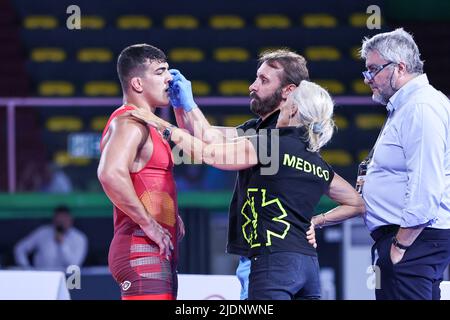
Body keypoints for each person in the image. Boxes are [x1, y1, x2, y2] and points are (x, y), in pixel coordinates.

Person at [131, 79, 365, 299]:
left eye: (287, 102)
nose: (282, 106)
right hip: (309, 266)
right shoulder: (318, 162)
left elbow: (209, 154)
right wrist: (317, 221)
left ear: (293, 110)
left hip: (274, 264)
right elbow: (357, 203)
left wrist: (166, 128)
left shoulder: (269, 143)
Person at [359, 28, 450, 300]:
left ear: (399, 67)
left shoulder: (420, 107)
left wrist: (399, 247)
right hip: (411, 242)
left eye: (373, 70)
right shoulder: (409, 106)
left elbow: (426, 183)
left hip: (413, 242)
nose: (368, 80)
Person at [97, 44, 184, 300]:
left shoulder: (151, 126)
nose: (169, 78)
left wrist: (168, 213)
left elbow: (144, 180)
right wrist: (148, 222)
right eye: (160, 72)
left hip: (154, 251)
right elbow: (110, 174)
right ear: (137, 83)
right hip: (140, 249)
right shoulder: (129, 122)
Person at [14, 205, 87, 270]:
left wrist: (62, 244)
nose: (60, 223)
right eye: (58, 220)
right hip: (42, 276)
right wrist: (26, 268)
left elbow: (74, 265)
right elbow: (20, 248)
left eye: (63, 220)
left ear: (70, 220)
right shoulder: (43, 232)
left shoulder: (79, 238)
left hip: (67, 278)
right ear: (54, 220)